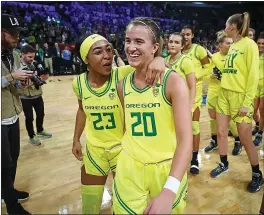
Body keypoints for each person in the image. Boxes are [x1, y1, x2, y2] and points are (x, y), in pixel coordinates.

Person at [72, 33, 168, 214]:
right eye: (98, 52)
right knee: (89, 206)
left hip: (123, 150)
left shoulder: (123, 74)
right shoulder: (78, 83)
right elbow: (82, 110)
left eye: (109, 50)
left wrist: (159, 58)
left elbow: (155, 64)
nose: (107, 56)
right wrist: (76, 138)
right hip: (94, 150)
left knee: (123, 205)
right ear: (86, 59)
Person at [113, 17, 192, 214]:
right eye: (128, 40)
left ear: (155, 47)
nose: (131, 47)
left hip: (167, 167)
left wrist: (169, 189)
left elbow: (186, 140)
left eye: (139, 42)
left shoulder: (173, 82)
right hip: (130, 166)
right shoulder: (122, 85)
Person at [210, 12, 263, 193]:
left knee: (246, 138)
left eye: (226, 24)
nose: (224, 28)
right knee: (221, 131)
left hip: (240, 97)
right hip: (224, 94)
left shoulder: (250, 45)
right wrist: (220, 73)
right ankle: (224, 163)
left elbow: (252, 76)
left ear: (232, 26)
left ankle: (257, 174)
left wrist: (247, 102)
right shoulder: (233, 45)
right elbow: (234, 70)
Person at [1, 13, 32, 215]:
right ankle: (12, 206)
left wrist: (22, 81)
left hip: (13, 112)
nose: (17, 37)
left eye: (19, 33)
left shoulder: (12, 54)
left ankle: (7, 191)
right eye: (13, 33)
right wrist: (11, 77)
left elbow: (15, 82)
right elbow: (8, 79)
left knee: (14, 158)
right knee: (4, 164)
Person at [204, 31, 242, 155]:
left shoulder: (234, 58)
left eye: (232, 43)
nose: (231, 45)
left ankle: (238, 140)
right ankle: (214, 140)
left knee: (228, 118)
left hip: (226, 92)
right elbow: (204, 74)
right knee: (212, 117)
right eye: (228, 43)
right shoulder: (213, 57)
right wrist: (210, 76)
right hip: (213, 91)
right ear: (220, 45)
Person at [181, 25, 211, 174]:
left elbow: (208, 68)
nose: (185, 37)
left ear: (192, 35)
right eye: (183, 34)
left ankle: (194, 159)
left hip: (195, 95)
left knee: (194, 127)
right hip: (179, 96)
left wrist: (194, 75)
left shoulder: (198, 49)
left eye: (188, 34)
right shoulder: (178, 51)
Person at [20, 44, 52, 146]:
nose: (31, 59)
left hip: (37, 94)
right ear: (22, 55)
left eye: (33, 56)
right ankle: (31, 136)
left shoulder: (36, 64)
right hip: (25, 96)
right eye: (29, 57)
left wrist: (44, 76)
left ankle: (40, 130)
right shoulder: (17, 67)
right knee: (29, 118)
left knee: (41, 114)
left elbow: (42, 77)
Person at [165, 32, 196, 110]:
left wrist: (189, 107)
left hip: (182, 102)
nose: (172, 44)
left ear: (182, 46)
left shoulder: (186, 61)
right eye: (170, 42)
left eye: (176, 42)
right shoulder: (165, 60)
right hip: (167, 102)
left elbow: (192, 87)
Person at [253, 35, 264, 146]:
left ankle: (260, 133)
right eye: (259, 43)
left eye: (263, 44)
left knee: (262, 110)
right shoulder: (253, 55)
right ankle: (257, 124)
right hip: (255, 86)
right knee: (253, 110)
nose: (260, 45)